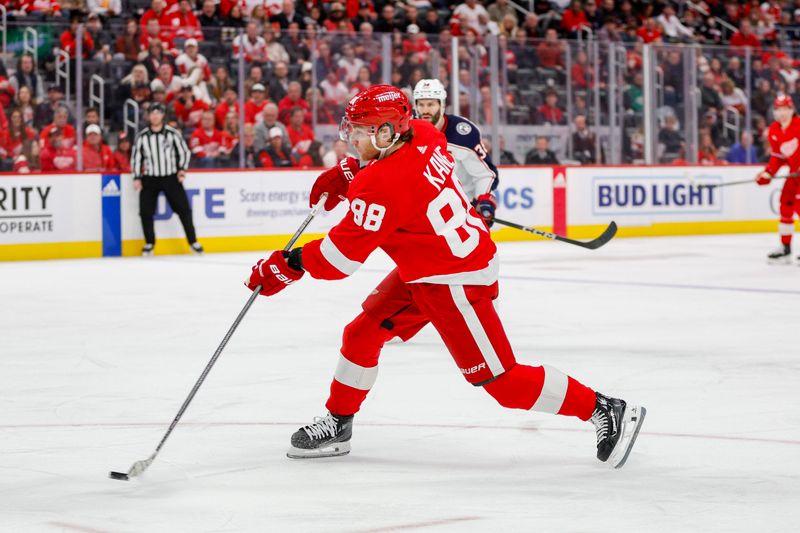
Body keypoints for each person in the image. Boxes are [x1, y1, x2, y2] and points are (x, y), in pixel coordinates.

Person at [244, 85, 646, 466]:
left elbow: (338, 260)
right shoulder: (421, 133)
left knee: (502, 383)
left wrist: (284, 265)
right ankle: (339, 423)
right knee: (362, 333)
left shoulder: (380, 184)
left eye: (360, 133)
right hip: (430, 267)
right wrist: (350, 172)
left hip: (456, 279)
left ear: (386, 132)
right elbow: (391, 174)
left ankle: (603, 408)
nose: (352, 141)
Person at [412, 79, 498, 228]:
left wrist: (484, 200)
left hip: (462, 209)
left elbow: (484, 174)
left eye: (431, 104)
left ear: (442, 104)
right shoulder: (407, 132)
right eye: (421, 104)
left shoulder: (462, 133)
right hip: (424, 211)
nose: (425, 110)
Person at [131, 102, 203, 256]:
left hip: (170, 176)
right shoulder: (142, 136)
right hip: (150, 177)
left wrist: (182, 169)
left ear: (163, 115)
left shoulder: (172, 133)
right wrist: (136, 177)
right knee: (145, 211)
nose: (155, 116)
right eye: (152, 113)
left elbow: (184, 151)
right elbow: (136, 158)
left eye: (158, 113)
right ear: (148, 116)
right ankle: (150, 243)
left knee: (184, 210)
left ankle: (193, 241)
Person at [756, 95, 800, 263]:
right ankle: (785, 247)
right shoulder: (774, 130)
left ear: (792, 110)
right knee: (785, 205)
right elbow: (778, 157)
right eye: (779, 109)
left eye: (785, 109)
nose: (782, 113)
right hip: (794, 176)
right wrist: (768, 173)